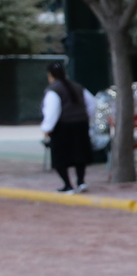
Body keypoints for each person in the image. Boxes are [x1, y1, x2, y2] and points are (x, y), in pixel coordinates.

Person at [40, 62, 95, 193]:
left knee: (60, 158)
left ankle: (67, 185)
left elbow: (52, 111)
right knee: (80, 156)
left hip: (62, 128)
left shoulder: (53, 90)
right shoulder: (78, 87)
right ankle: (81, 182)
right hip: (81, 125)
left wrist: (47, 129)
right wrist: (84, 117)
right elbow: (93, 103)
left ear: (50, 75)